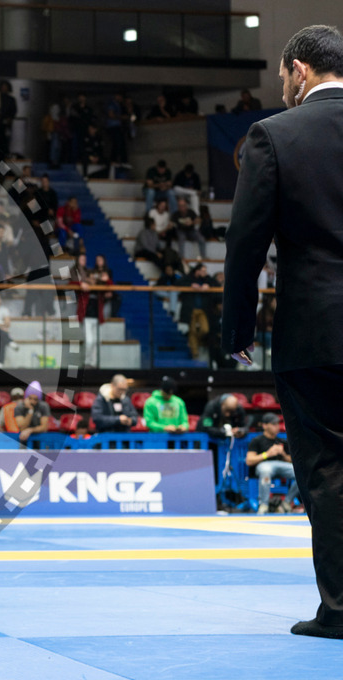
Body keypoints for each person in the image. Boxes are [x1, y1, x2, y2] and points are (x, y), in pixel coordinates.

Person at [222, 25, 343, 639]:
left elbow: (246, 241)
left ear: (299, 69)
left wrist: (238, 327)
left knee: (327, 471)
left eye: (282, 76)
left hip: (316, 331)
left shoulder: (274, 134)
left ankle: (341, 610)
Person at [246, 413, 299, 515]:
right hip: (264, 465)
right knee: (266, 470)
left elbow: (293, 461)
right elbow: (249, 460)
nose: (277, 426)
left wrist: (283, 454)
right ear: (265, 425)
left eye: (278, 424)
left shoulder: (282, 441)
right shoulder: (256, 440)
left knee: (301, 473)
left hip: (281, 465)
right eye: (273, 424)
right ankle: (264, 505)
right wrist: (267, 454)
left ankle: (286, 503)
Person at [13, 380, 51, 445]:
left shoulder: (44, 406)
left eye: (35, 399)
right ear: (26, 397)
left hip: (39, 437)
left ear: (39, 399)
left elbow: (44, 428)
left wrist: (30, 430)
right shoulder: (19, 407)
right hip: (23, 437)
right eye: (30, 398)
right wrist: (30, 411)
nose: (32, 401)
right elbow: (22, 428)